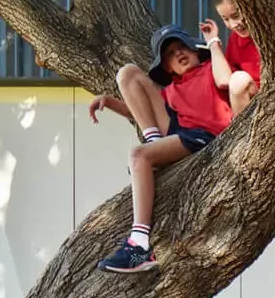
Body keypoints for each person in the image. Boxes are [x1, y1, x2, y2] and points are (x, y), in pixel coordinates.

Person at [89, 25, 233, 273]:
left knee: (137, 156)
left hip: (206, 134)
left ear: (196, 51)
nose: (178, 54)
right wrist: (110, 103)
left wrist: (214, 43)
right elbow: (141, 109)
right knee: (128, 73)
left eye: (182, 48)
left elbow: (225, 79)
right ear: (166, 68)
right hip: (182, 131)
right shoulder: (172, 90)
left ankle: (139, 244)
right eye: (170, 54)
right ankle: (153, 141)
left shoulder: (210, 68)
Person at [202, 0, 261, 114]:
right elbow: (224, 81)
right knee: (238, 80)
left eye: (236, 16)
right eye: (226, 19)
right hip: (254, 107)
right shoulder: (236, 39)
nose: (234, 24)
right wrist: (213, 42)